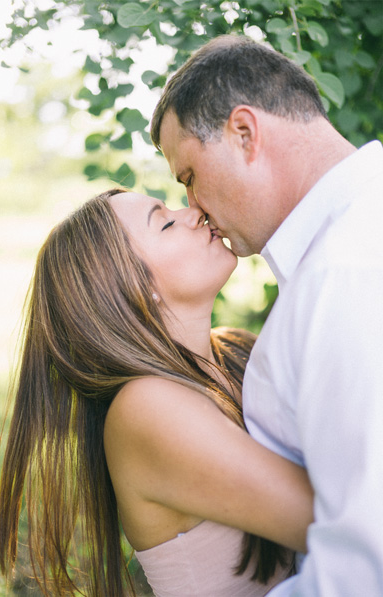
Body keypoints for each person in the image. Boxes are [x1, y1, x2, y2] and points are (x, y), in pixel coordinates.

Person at [150, 34, 383, 594]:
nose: (194, 209)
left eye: (189, 178)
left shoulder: (341, 272)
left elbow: (362, 567)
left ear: (245, 133)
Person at [0, 189, 314, 596]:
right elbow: (329, 516)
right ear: (132, 287)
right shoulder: (145, 409)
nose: (196, 211)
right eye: (165, 222)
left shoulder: (236, 352)